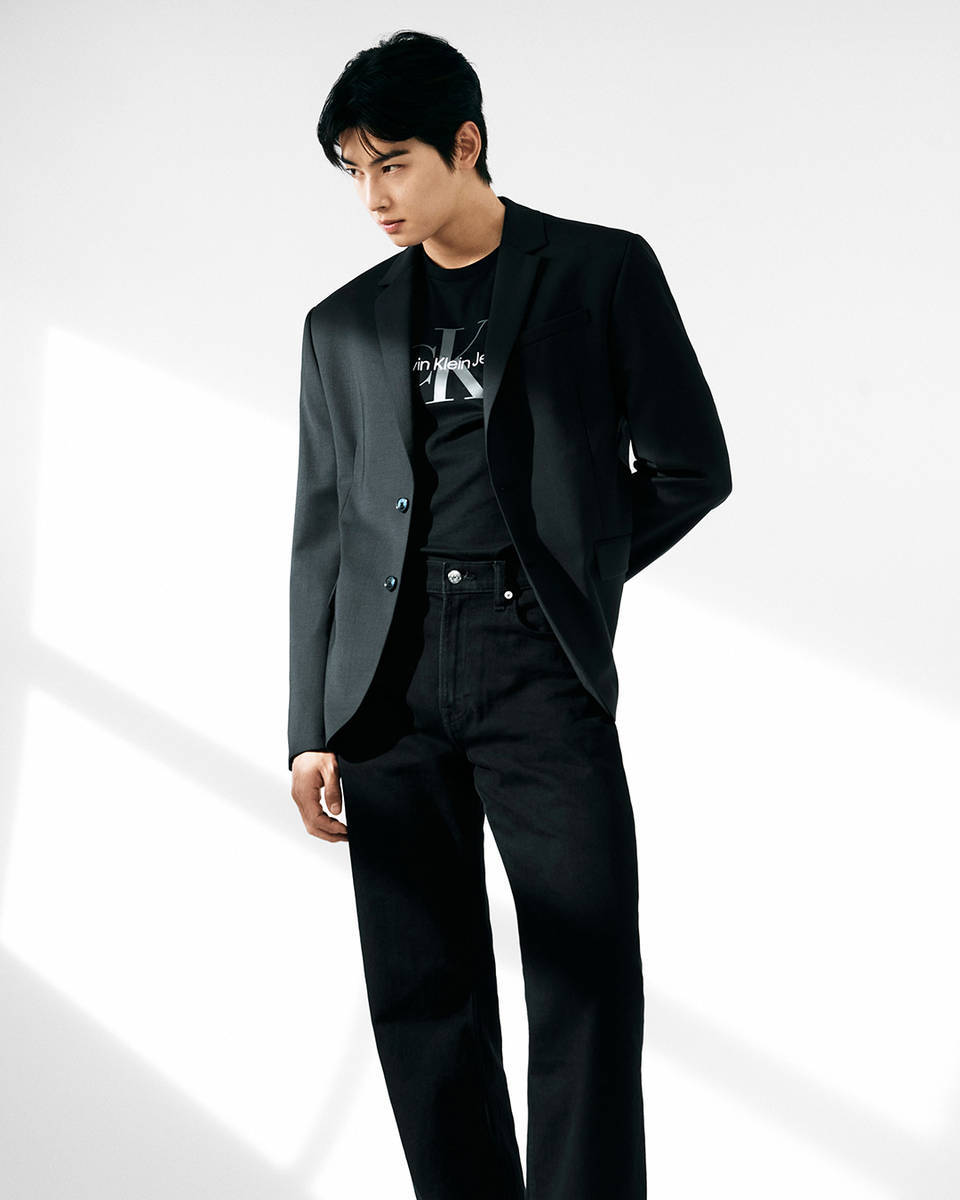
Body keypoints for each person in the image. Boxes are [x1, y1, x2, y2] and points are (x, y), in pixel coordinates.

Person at [288, 28, 732, 1200]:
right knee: (420, 990)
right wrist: (309, 726)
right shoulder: (339, 324)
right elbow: (324, 533)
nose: (374, 198)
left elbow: (691, 467)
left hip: (533, 658)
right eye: (356, 172)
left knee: (585, 975)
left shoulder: (600, 271)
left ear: (466, 143)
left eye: (393, 164)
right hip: (387, 687)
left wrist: (568, 572)